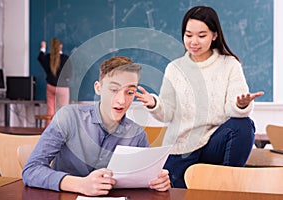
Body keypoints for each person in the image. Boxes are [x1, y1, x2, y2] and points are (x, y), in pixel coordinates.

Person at [135, 6, 264, 188]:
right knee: (168, 191)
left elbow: (232, 109)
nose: (194, 41)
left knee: (243, 125)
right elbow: (167, 113)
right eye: (188, 35)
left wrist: (240, 105)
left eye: (201, 36)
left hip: (213, 145)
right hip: (181, 149)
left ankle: (228, 188)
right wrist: (155, 103)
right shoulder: (175, 68)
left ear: (214, 35)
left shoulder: (229, 65)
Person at [23, 56, 171, 196]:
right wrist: (80, 184)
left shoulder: (137, 135)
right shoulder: (69, 117)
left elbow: (143, 179)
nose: (121, 100)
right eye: (114, 90)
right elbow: (31, 170)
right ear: (98, 88)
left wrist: (157, 182)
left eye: (130, 92)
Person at [38, 37, 72, 126]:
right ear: (60, 46)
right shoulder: (65, 59)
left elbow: (40, 58)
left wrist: (42, 48)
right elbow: (69, 74)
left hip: (50, 86)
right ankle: (63, 133)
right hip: (62, 87)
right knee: (63, 111)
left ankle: (48, 132)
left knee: (50, 110)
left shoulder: (47, 58)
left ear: (51, 47)